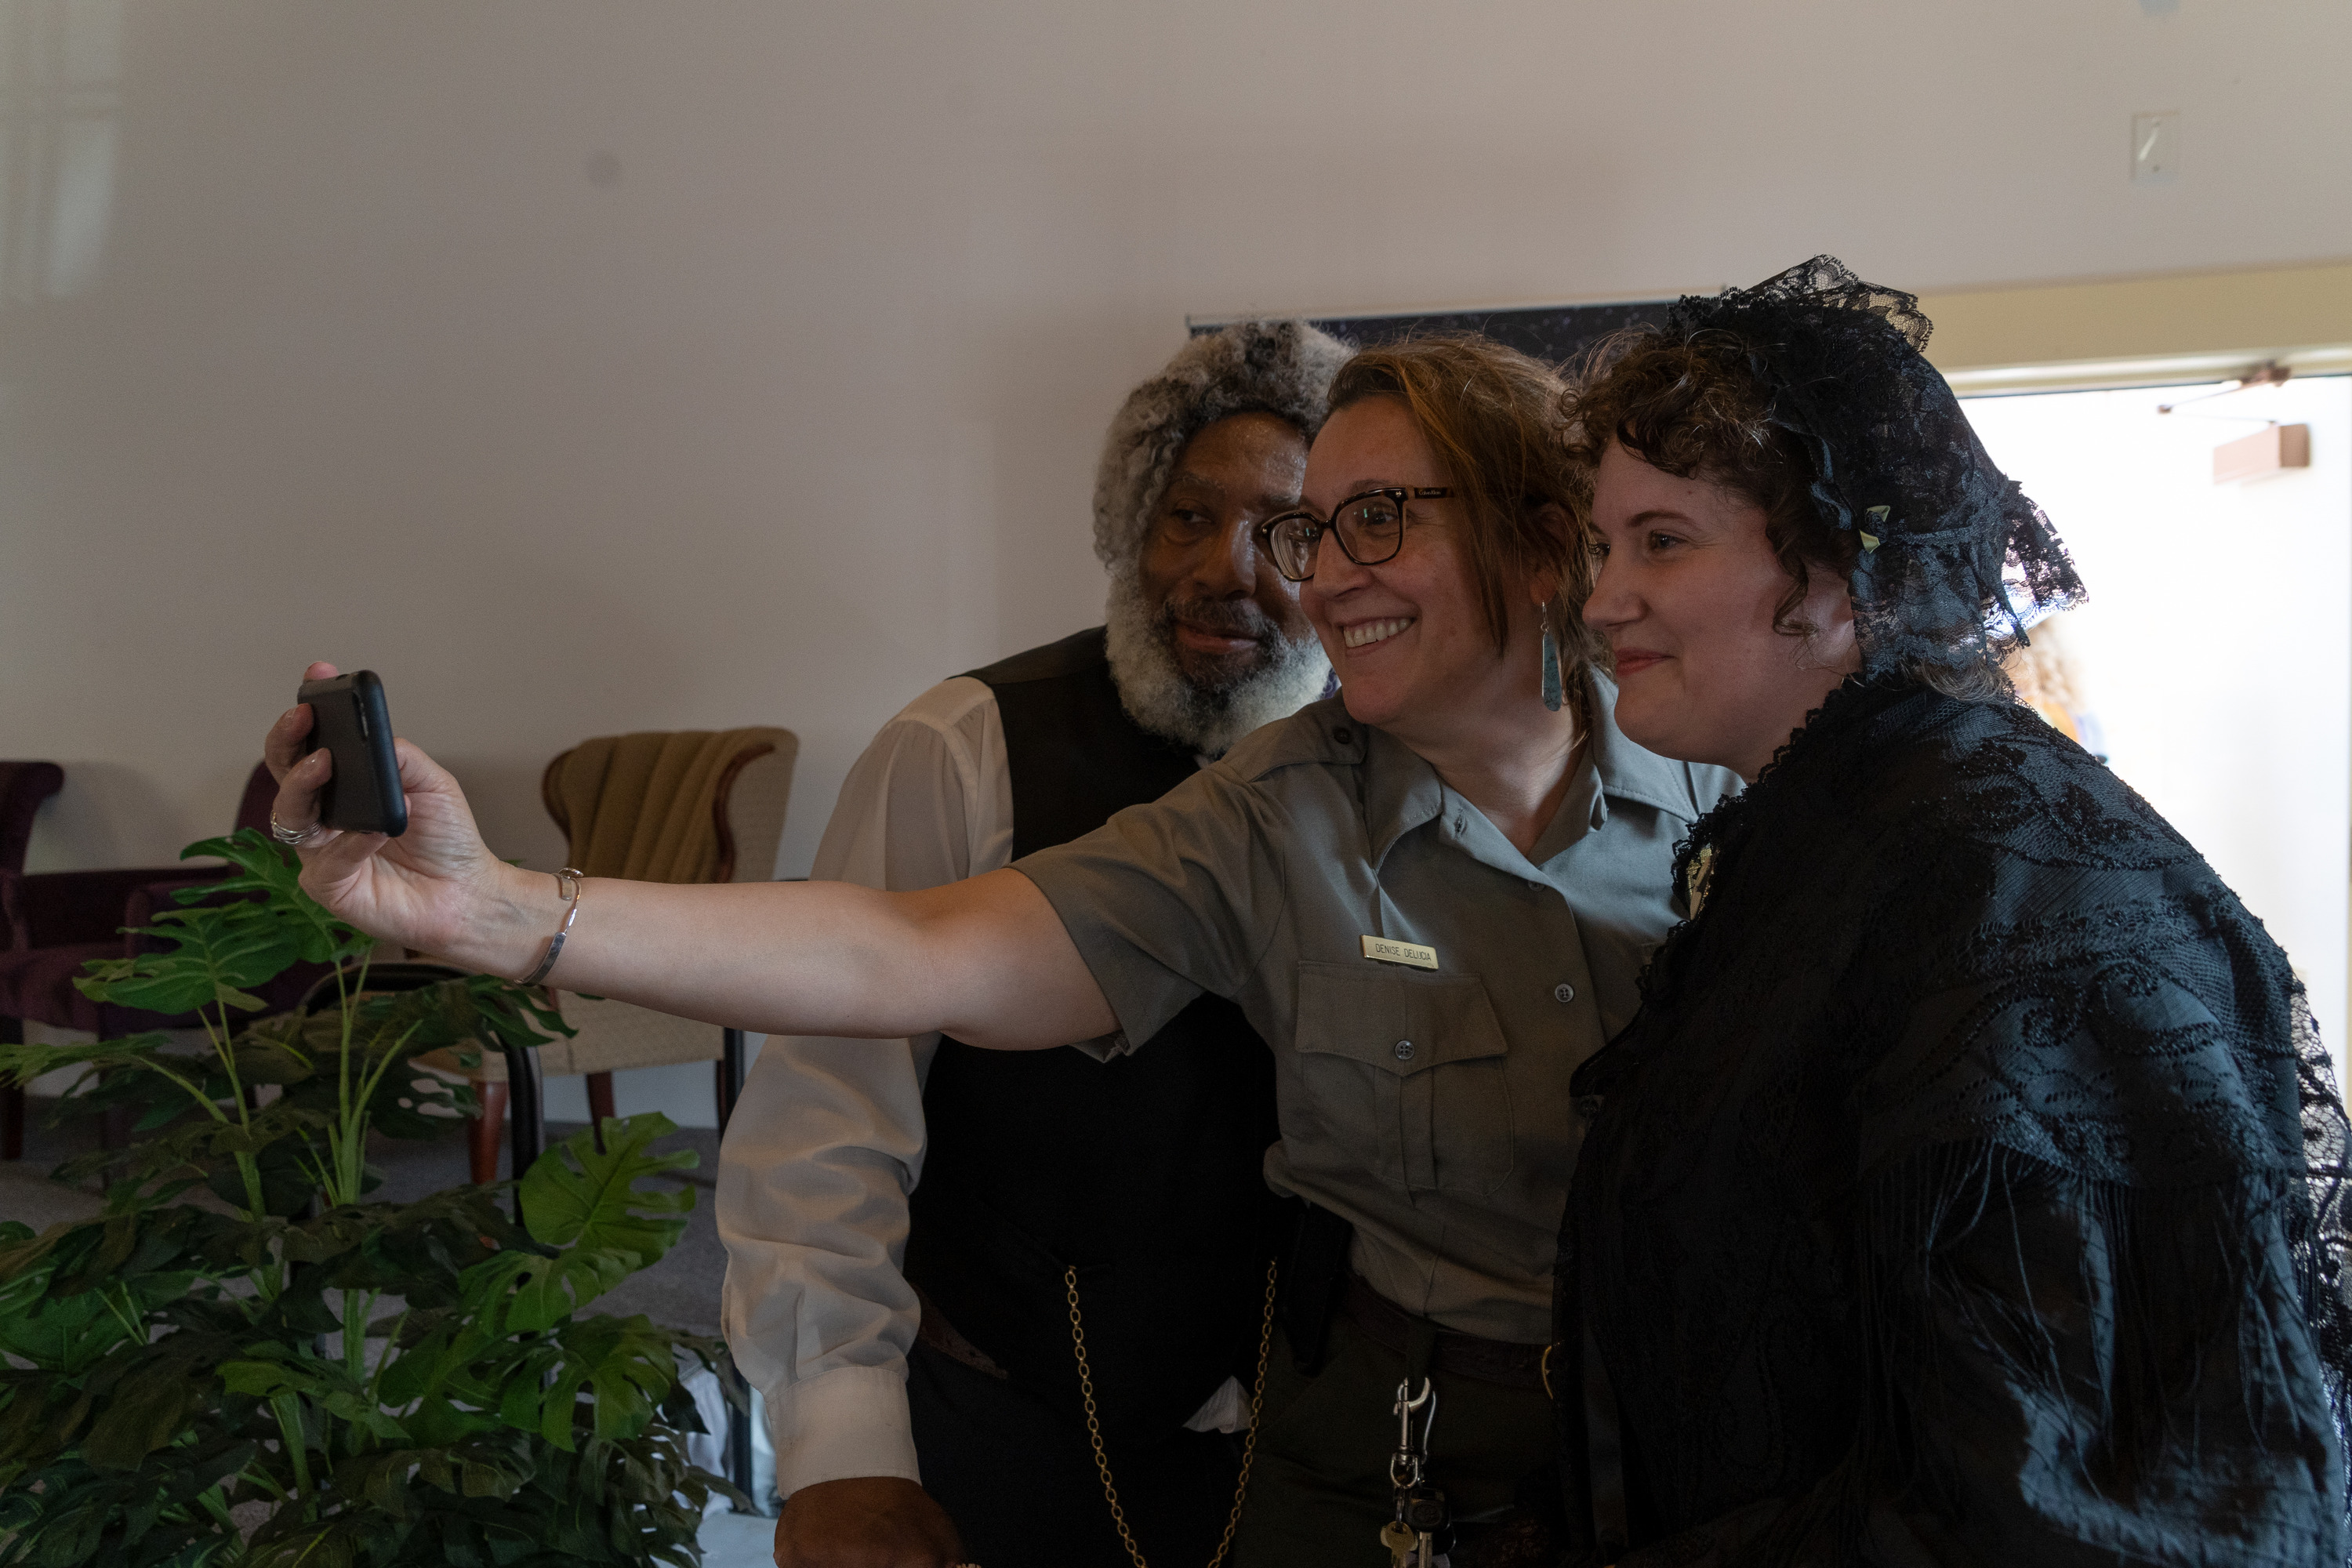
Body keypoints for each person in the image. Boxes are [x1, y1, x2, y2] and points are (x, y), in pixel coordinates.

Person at [260, 334, 1737, 1566]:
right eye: (1302, 527)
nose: (1300, 573)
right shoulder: (1267, 805)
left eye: (1371, 519)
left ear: (1544, 540)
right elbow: (903, 958)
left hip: (1693, 1430)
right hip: (1346, 1458)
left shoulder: (1733, 771)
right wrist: (504, 910)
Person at [1539, 256, 2352, 1566]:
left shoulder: (2003, 873)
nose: (1602, 598)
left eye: (1663, 541)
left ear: (1831, 570)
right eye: (1602, 544)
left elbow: (2069, 1500)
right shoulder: (1831, 832)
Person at [724, 319, 1347, 1568]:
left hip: (1303, 1448)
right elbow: (822, 1112)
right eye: (1185, 516)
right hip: (1008, 1425)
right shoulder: (965, 746)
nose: (1223, 570)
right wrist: (841, 1451)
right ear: (1131, 528)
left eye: (1285, 532)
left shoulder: (1384, 768)